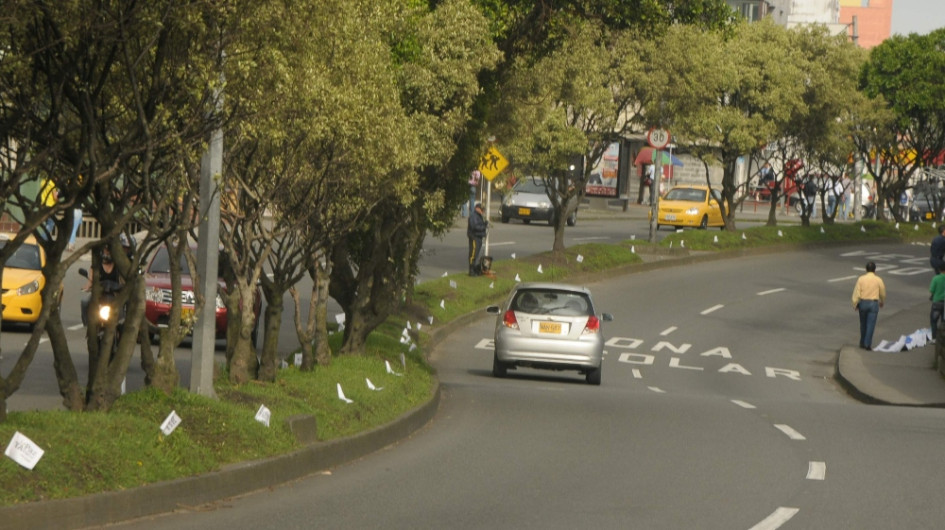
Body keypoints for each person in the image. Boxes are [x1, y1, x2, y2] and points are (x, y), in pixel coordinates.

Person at [851, 261, 886, 350]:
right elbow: (882, 292)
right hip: (873, 303)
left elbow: (857, 292)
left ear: (866, 269)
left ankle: (862, 342)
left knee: (863, 324)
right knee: (871, 324)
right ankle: (867, 344)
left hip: (863, 303)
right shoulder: (878, 280)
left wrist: (855, 303)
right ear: (875, 270)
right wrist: (882, 301)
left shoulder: (861, 279)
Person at [467, 202, 488, 276]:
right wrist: (484, 226)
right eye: (481, 210)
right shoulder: (473, 216)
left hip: (479, 237)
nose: (482, 211)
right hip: (474, 237)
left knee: (476, 254)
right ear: (477, 208)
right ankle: (471, 270)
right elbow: (475, 227)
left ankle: (475, 269)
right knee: (473, 254)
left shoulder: (479, 216)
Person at [930, 265, 945, 341]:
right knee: (943, 322)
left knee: (933, 321)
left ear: (939, 269)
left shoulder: (936, 278)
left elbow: (932, 290)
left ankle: (934, 338)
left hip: (937, 303)